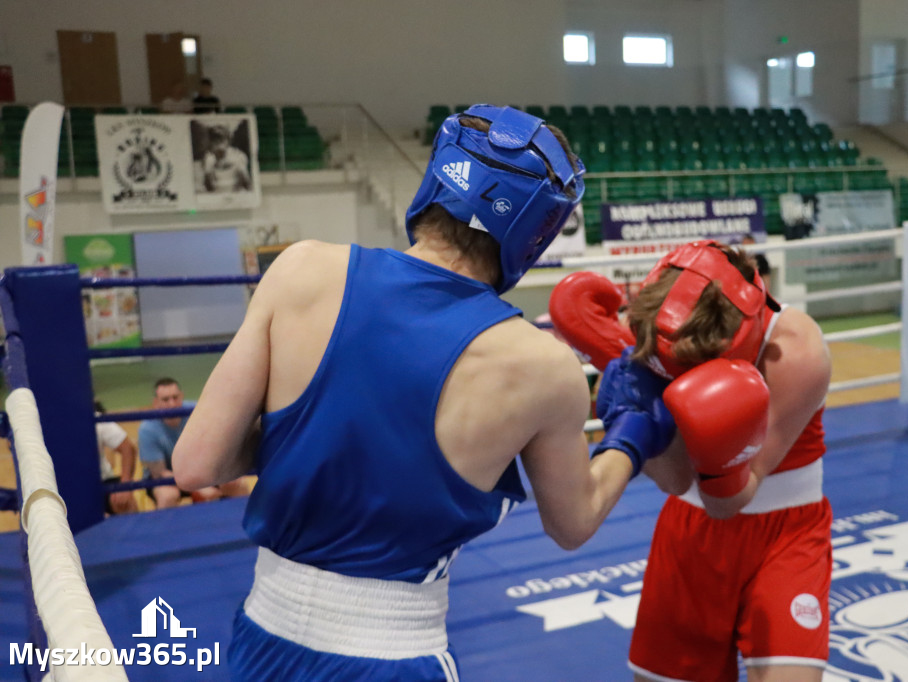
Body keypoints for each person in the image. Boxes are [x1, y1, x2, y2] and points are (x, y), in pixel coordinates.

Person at [172, 104, 673, 681]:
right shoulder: (542, 365)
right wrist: (630, 435)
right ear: (538, 232)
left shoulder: (300, 269)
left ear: (437, 178)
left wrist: (320, 442)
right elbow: (573, 522)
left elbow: (195, 463)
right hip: (392, 652)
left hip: (262, 638)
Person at [550, 240, 831, 682]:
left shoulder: (794, 352)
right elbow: (678, 478)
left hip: (783, 531)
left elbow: (729, 499)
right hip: (689, 528)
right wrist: (634, 421)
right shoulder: (653, 330)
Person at [139, 378, 248, 509]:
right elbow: (160, 472)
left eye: (175, 397)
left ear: (182, 396)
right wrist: (196, 487)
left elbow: (215, 452)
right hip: (168, 478)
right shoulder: (147, 429)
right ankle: (167, 529)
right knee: (167, 496)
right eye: (165, 399)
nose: (172, 404)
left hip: (200, 471)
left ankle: (244, 526)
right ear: (155, 403)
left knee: (236, 484)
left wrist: (211, 479)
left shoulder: (197, 412)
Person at [94, 400, 138, 515]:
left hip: (102, 481)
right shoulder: (46, 425)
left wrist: (124, 485)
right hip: (62, 486)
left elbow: (127, 448)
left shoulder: (94, 419)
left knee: (124, 503)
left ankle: (137, 532)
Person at [197, 123, 251, 192]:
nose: (219, 144)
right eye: (215, 141)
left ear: (228, 141)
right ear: (211, 143)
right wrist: (208, 171)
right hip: (217, 193)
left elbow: (247, 183)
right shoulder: (209, 158)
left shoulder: (238, 156)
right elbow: (208, 186)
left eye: (221, 140)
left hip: (236, 194)